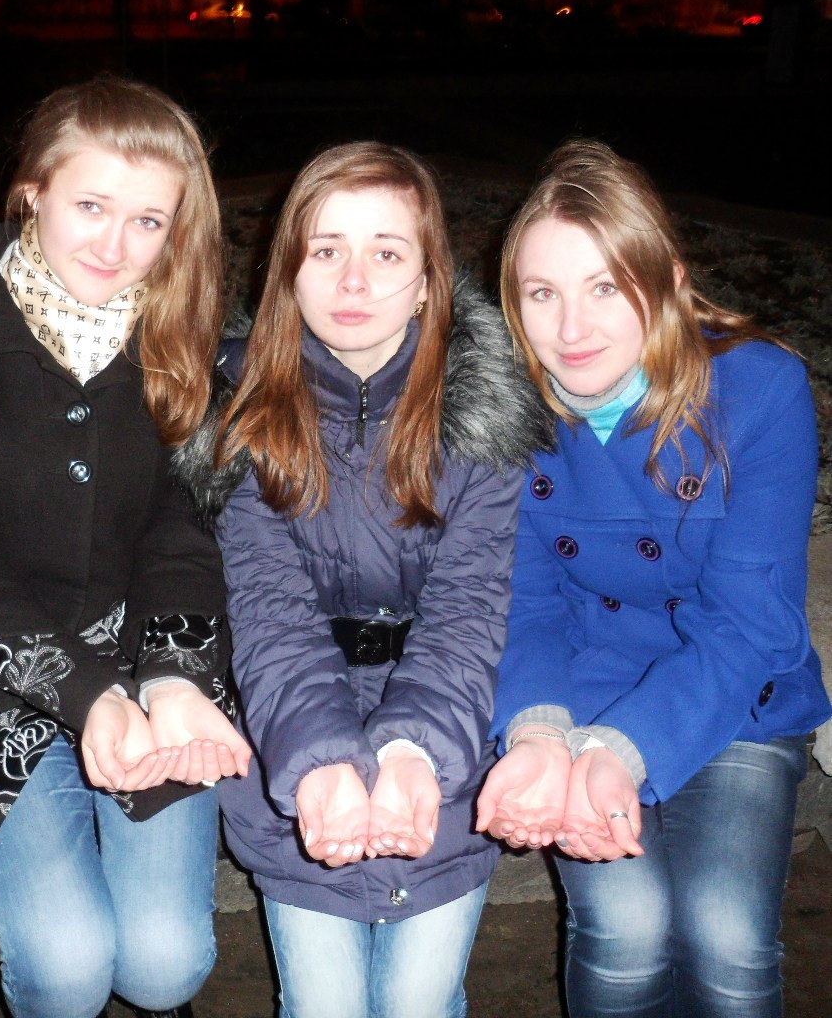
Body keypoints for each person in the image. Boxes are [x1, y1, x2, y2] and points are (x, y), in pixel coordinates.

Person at [0, 76, 251, 1018]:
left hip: (148, 664)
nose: (114, 245)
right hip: (1, 678)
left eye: (148, 221)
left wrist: (174, 678)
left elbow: (183, 522)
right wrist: (84, 693)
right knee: (68, 970)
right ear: (33, 191)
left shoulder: (182, 335)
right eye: (91, 205)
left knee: (165, 968)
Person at [174, 141, 552, 1018]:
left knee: (420, 999)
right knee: (324, 1002)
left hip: (451, 721)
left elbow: (470, 607)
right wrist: (320, 765)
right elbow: (268, 612)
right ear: (287, 272)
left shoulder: (484, 415)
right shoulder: (242, 414)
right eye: (325, 250)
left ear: (427, 281)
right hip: (291, 715)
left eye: (386, 252)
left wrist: (414, 753)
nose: (353, 281)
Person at [476, 138, 832, 1018]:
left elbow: (750, 623)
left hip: (737, 697)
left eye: (606, 288)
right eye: (542, 294)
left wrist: (623, 752)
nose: (572, 330)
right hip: (578, 690)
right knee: (627, 931)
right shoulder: (498, 408)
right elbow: (522, 604)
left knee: (727, 936)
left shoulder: (759, 391)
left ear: (668, 282)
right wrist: (540, 737)